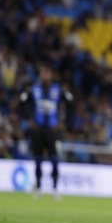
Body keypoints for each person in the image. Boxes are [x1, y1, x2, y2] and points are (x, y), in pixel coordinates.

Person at [19, 65, 74, 200]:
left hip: (53, 130)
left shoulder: (58, 89)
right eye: (43, 72)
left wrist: (64, 123)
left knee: (54, 159)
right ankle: (39, 189)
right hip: (37, 130)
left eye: (47, 72)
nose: (45, 75)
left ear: (52, 75)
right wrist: (29, 120)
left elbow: (71, 105)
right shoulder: (34, 89)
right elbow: (21, 104)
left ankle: (55, 189)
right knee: (38, 160)